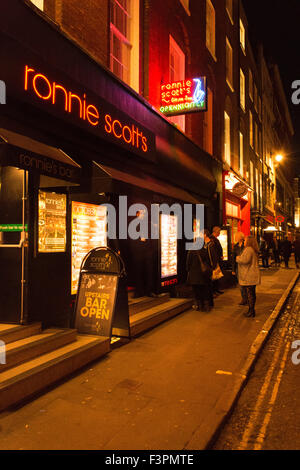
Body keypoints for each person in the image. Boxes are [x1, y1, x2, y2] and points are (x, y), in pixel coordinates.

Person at [186, 230, 214, 312]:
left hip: (193, 275)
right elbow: (208, 262)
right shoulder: (204, 250)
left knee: (196, 291)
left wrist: (188, 270)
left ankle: (198, 306)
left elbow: (188, 263)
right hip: (203, 275)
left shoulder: (191, 250)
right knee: (204, 290)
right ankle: (206, 306)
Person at [236, 235, 261, 318]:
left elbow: (245, 260)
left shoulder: (248, 249)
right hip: (252, 274)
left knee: (250, 293)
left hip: (249, 275)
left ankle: (251, 311)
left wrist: (238, 258)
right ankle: (251, 310)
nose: (244, 241)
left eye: (245, 240)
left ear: (249, 241)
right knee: (252, 293)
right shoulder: (253, 249)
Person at [232, 232, 247, 305]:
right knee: (240, 284)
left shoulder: (246, 245)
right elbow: (233, 258)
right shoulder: (235, 246)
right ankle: (244, 299)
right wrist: (233, 269)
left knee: (246, 283)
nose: (235, 238)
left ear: (241, 237)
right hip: (238, 267)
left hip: (246, 267)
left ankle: (248, 298)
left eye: (236, 236)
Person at [210, 226, 224, 295]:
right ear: (215, 232)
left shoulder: (215, 239)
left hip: (217, 259)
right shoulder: (212, 239)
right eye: (219, 232)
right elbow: (214, 250)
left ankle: (216, 289)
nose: (219, 233)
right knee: (214, 275)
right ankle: (214, 290)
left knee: (217, 275)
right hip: (215, 260)